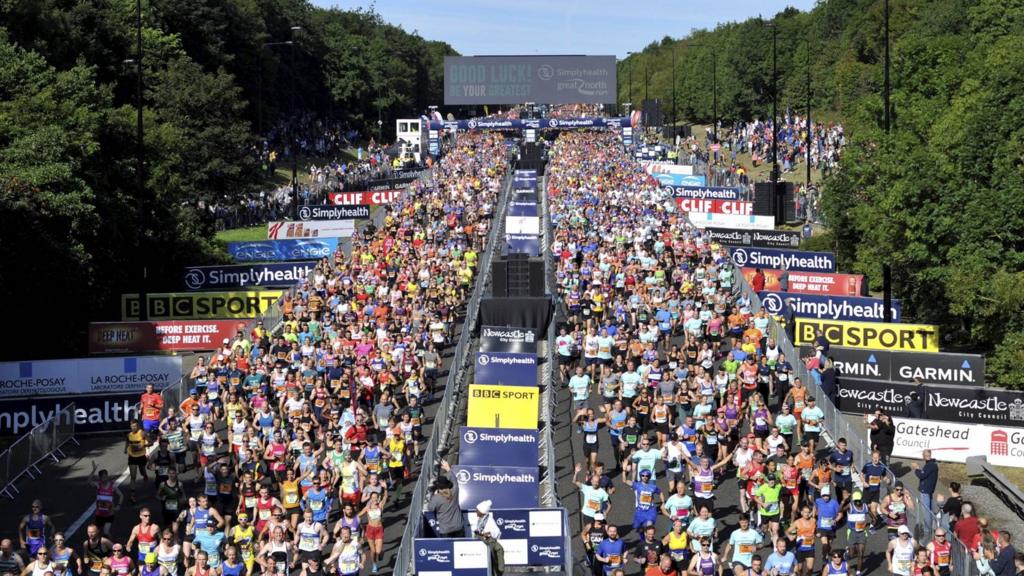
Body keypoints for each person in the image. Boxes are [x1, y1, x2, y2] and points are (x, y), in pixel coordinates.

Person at [427, 460, 463, 538]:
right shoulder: (455, 491)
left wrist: (434, 496)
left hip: (445, 529)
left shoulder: (436, 498)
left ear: (438, 487)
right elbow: (454, 480)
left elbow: (430, 508)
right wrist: (448, 469)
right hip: (458, 526)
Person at [472, 501, 503, 576]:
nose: (475, 511)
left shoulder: (489, 520)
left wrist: (486, 534)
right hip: (484, 544)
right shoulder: (481, 519)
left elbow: (496, 532)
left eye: (477, 510)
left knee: (491, 563)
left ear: (482, 511)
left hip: (489, 544)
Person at [912, 450, 939, 531]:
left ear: (924, 456)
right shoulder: (932, 464)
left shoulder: (930, 465)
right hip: (928, 490)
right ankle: (931, 525)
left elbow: (922, 475)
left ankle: (928, 529)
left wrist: (916, 469)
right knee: (929, 509)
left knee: (926, 511)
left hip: (926, 491)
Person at [126, 419, 151, 503]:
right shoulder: (128, 435)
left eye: (135, 426)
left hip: (141, 456)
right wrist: (126, 449)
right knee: (133, 476)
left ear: (138, 426)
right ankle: (132, 495)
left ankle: (145, 475)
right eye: (132, 426)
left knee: (142, 471)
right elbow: (127, 442)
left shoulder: (142, 433)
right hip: (132, 457)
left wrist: (144, 445)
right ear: (130, 426)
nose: (133, 428)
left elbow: (151, 442)